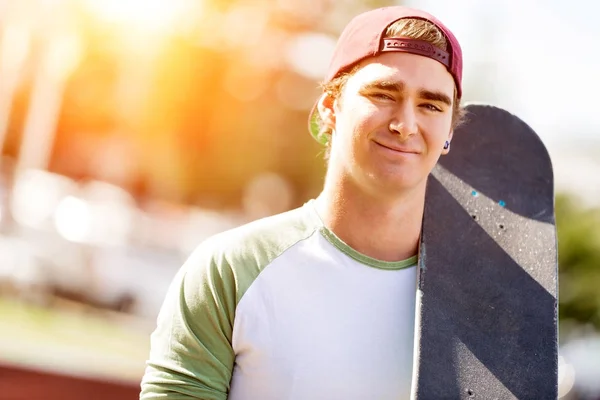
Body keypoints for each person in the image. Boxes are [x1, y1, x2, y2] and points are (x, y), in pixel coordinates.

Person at [140, 5, 465, 400]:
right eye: (383, 94)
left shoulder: (479, 300)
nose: (405, 124)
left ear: (449, 132)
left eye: (431, 105)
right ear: (330, 107)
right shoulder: (231, 270)